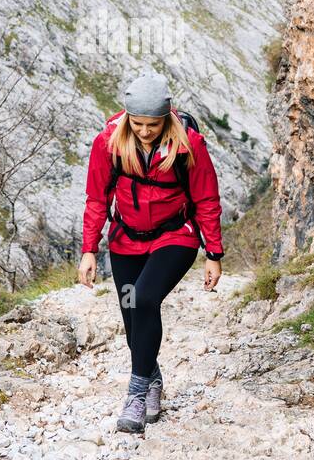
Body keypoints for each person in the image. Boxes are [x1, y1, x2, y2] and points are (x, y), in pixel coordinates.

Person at [77, 70, 224, 435]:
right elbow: (97, 199)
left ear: (166, 117)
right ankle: (153, 378)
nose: (144, 131)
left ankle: (137, 395)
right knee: (131, 319)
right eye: (138, 123)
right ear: (128, 117)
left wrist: (213, 253)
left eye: (153, 125)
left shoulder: (189, 145)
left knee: (143, 299)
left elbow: (207, 199)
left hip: (175, 236)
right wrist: (89, 250)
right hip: (126, 240)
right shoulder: (108, 143)